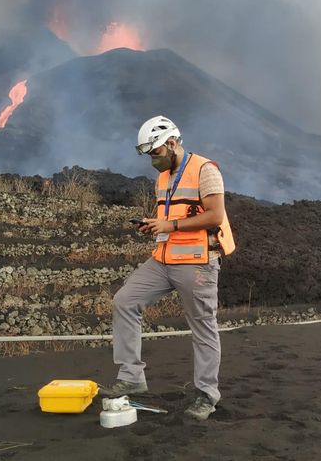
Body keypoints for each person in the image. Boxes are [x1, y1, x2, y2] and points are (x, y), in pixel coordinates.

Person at [100, 115, 236, 421]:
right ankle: (132, 376)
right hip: (163, 258)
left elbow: (214, 216)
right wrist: (155, 226)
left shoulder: (206, 170)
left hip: (197, 262)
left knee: (202, 326)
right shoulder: (163, 178)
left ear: (171, 143)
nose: (152, 161)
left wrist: (170, 224)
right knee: (125, 300)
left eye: (155, 153)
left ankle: (206, 395)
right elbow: (170, 215)